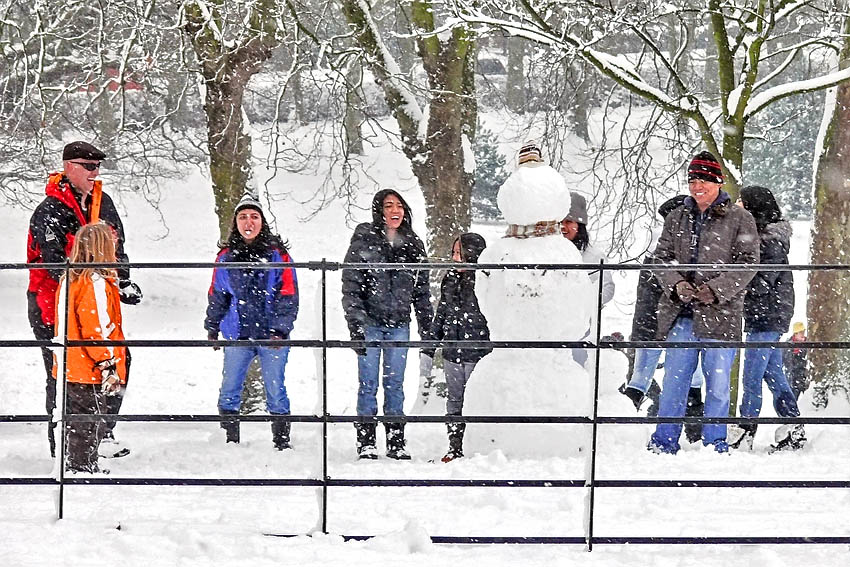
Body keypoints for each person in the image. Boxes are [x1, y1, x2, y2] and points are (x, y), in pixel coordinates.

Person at [27, 141, 142, 458]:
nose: (95, 172)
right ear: (69, 167)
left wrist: (123, 280)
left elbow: (117, 245)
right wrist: (90, 279)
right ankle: (62, 444)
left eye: (98, 167)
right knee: (62, 372)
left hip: (97, 301)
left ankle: (100, 433)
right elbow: (53, 265)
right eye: (89, 166)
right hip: (53, 306)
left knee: (118, 361)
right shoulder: (47, 211)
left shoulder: (103, 202)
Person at [647, 151, 758, 455]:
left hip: (721, 317)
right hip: (681, 315)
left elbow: (748, 263)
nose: (697, 186)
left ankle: (715, 442)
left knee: (718, 386)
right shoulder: (676, 217)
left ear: (718, 182)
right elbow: (661, 258)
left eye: (704, 180)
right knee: (673, 383)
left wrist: (716, 290)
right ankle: (663, 442)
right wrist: (677, 284)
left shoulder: (740, 218)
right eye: (693, 180)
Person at [341, 189, 433, 460]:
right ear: (379, 210)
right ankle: (366, 441)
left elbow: (421, 289)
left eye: (399, 205)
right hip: (370, 323)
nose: (395, 210)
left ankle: (396, 440)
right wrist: (356, 324)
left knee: (395, 383)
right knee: (368, 383)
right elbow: (351, 286)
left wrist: (425, 322)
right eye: (388, 205)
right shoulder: (363, 241)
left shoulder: (413, 243)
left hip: (399, 324)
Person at [204, 193, 299, 450]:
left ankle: (281, 441)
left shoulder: (278, 255)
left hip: (271, 335)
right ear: (235, 222)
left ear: (262, 221)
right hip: (238, 333)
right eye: (243, 217)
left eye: (254, 217)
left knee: (275, 389)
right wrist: (212, 326)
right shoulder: (225, 256)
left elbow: (288, 294)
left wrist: (280, 329)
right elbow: (218, 293)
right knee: (229, 388)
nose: (249, 222)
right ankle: (229, 440)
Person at [730, 185, 803, 452]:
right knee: (773, 374)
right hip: (765, 315)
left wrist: (734, 285)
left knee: (751, 375)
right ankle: (793, 426)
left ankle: (745, 428)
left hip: (767, 316)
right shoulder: (760, 237)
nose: (737, 204)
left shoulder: (768, 241)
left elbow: (762, 283)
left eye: (741, 200)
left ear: (753, 207)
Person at [53, 223, 128, 474]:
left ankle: (74, 463)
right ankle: (83, 467)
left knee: (75, 420)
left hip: (68, 363)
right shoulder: (94, 281)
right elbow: (95, 327)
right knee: (90, 419)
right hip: (88, 366)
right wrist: (107, 363)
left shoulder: (69, 278)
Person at [421, 233, 491, 462]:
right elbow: (441, 314)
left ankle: (477, 448)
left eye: (459, 253)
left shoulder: (485, 280)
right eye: (453, 253)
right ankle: (455, 447)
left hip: (477, 353)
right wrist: (430, 347)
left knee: (475, 400)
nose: (454, 258)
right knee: (454, 400)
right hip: (452, 352)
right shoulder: (449, 278)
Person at [560, 192, 615, 368]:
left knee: (577, 367)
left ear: (580, 225)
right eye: (559, 222)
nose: (563, 227)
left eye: (568, 222)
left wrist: (583, 302)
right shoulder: (546, 253)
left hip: (581, 326)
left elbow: (607, 288)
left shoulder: (594, 256)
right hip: (549, 325)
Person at [784, 322, 809, 401]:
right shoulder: (788, 345)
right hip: (792, 376)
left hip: (804, 375)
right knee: (792, 398)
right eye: (800, 332)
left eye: (803, 332)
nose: (802, 334)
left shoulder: (808, 344)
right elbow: (783, 360)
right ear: (795, 333)